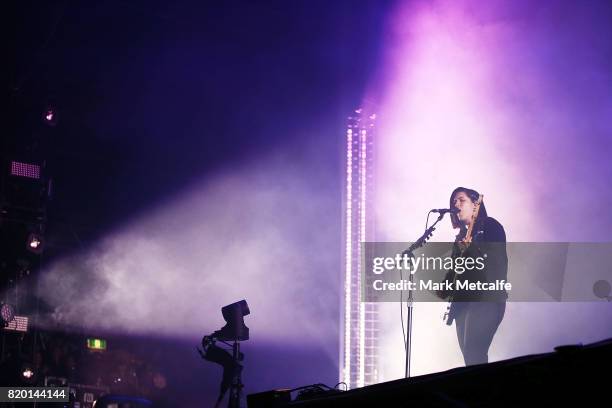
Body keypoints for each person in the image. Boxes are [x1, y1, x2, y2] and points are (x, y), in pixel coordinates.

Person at [440, 187, 508, 366]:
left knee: (474, 351)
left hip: (486, 298)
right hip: (463, 304)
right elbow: (453, 273)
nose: (456, 205)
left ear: (475, 204)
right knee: (470, 360)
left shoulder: (490, 226)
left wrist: (471, 249)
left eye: (461, 200)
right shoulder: (461, 237)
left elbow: (496, 263)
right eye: (454, 202)